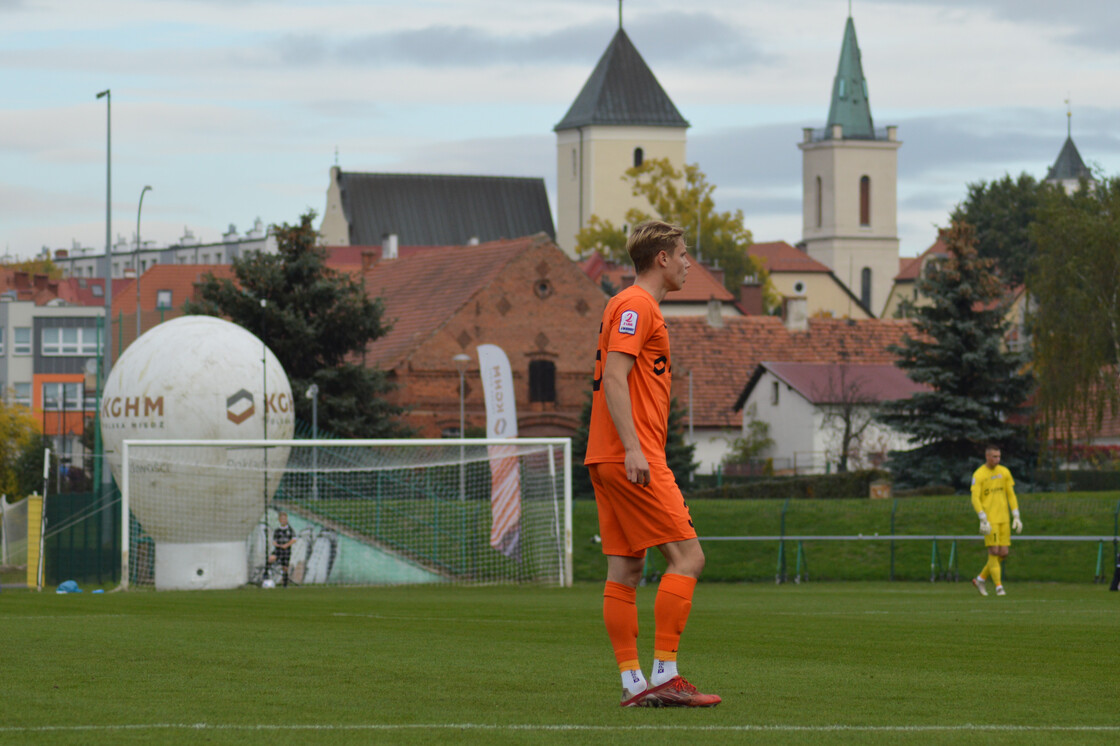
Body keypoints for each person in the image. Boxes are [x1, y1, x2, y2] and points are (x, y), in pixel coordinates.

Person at [584, 220, 720, 708]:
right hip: (630, 455)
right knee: (689, 558)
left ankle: (634, 684)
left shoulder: (625, 305)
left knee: (626, 568)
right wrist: (636, 448)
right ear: (662, 258)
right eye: (683, 254)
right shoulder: (637, 305)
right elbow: (617, 377)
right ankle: (665, 673)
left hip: (607, 455)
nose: (688, 263)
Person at [970, 445, 1022, 597]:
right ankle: (999, 587)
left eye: (999, 456)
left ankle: (981, 579)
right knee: (993, 551)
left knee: (1003, 553)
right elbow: (975, 497)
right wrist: (982, 517)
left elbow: (1011, 494)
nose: (997, 459)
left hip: (1004, 518)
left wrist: (1016, 515)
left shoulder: (1004, 472)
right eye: (994, 457)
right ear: (987, 456)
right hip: (990, 519)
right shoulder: (979, 474)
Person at [268, 511, 296, 587]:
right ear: (279, 520)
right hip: (278, 550)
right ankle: (267, 578)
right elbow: (274, 542)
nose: (283, 520)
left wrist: (286, 545)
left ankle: (285, 584)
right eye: (282, 518)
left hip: (286, 551)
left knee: (285, 568)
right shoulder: (277, 530)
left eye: (285, 518)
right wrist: (279, 545)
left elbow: (294, 539)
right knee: (270, 559)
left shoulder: (290, 530)